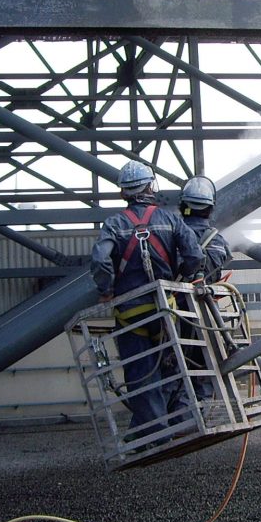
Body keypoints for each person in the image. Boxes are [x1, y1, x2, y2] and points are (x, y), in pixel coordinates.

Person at [91, 160, 204, 441]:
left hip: (131, 314)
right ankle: (178, 422)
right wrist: (183, 277)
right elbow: (194, 256)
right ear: (151, 186)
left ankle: (156, 435)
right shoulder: (171, 219)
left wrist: (106, 290)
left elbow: (99, 260)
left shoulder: (114, 224)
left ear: (123, 193)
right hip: (166, 310)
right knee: (172, 365)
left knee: (141, 374)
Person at [179, 176, 233, 402]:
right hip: (209, 314)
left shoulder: (175, 235)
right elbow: (224, 264)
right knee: (207, 362)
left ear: (183, 206)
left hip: (177, 312)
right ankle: (206, 409)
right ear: (210, 209)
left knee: (178, 363)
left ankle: (182, 416)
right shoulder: (218, 240)